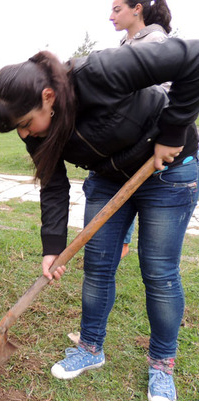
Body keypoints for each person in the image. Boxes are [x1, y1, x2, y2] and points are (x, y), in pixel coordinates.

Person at [0, 39, 199, 401]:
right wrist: (52, 246)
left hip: (167, 168)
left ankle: (162, 363)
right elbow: (52, 186)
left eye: (24, 124)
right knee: (98, 269)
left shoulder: (99, 72)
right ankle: (89, 348)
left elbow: (191, 57)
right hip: (108, 179)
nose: (25, 135)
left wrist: (173, 131)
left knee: (159, 272)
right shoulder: (38, 131)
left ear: (48, 96)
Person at [110, 0, 173, 258]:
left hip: (150, 141)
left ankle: (124, 246)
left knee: (158, 261)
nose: (110, 16)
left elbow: (164, 94)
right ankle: (120, 246)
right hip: (127, 139)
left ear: (137, 9)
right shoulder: (127, 43)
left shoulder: (155, 40)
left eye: (116, 10)